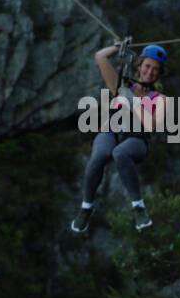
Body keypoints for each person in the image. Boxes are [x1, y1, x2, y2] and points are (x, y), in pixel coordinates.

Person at [71, 43, 168, 233]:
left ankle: (138, 208)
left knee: (120, 153)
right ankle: (86, 208)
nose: (150, 72)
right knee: (99, 155)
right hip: (112, 131)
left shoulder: (161, 99)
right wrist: (117, 47)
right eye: (147, 66)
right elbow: (100, 57)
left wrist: (136, 101)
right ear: (139, 67)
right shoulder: (122, 85)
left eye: (155, 69)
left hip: (137, 139)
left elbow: (151, 126)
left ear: (159, 74)